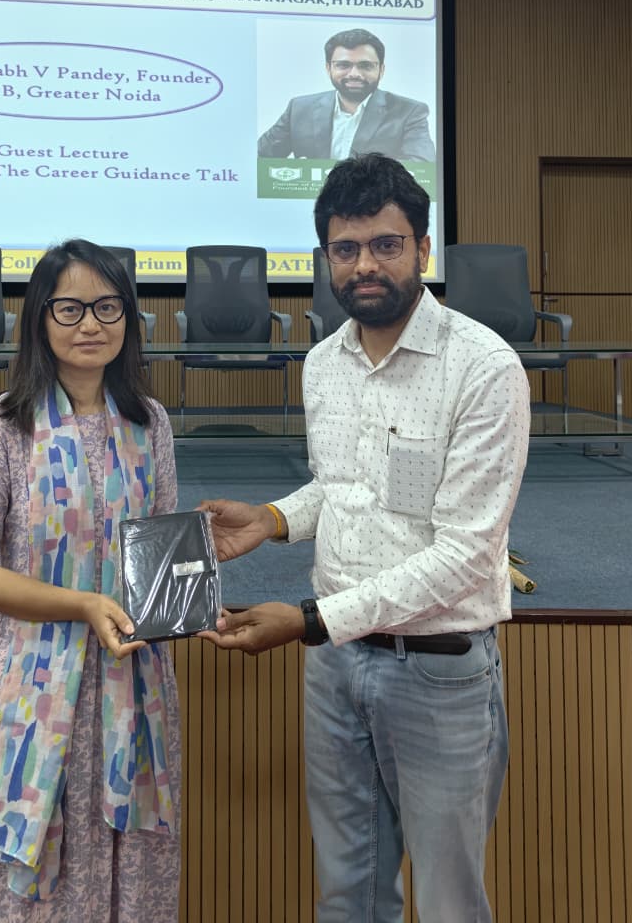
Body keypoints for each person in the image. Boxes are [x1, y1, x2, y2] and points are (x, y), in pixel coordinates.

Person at [200, 154, 530, 923]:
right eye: (346, 249)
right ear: (326, 258)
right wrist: (272, 519)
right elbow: (345, 487)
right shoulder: (325, 363)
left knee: (448, 903)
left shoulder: (483, 369)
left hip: (437, 671)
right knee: (347, 894)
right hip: (337, 669)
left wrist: (311, 620)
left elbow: (465, 556)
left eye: (386, 244)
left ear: (423, 247)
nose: (365, 266)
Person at [0, 239, 180, 923]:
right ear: (39, 319)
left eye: (108, 307)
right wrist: (82, 604)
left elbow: (156, 555)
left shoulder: (150, 423)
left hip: (128, 678)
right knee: (28, 882)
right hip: (31, 679)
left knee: (131, 865)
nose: (91, 324)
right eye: (69, 308)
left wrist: (190, 590)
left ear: (129, 317)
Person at [257, 27, 436, 162]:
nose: (354, 74)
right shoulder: (299, 109)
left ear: (381, 70)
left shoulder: (409, 112)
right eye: (343, 65)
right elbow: (259, 156)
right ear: (328, 68)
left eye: (365, 66)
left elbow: (421, 166)